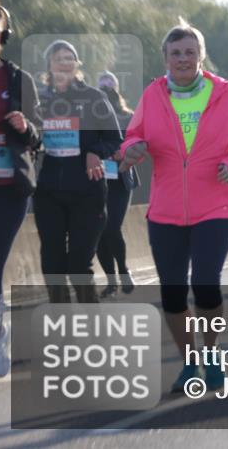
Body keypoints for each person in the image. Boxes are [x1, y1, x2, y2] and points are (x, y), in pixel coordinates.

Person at [120, 21, 228, 393]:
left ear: (201, 56)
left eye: (189, 52)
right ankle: (189, 362)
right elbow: (133, 135)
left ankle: (212, 354)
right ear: (165, 58)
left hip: (217, 204)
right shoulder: (153, 95)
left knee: (205, 282)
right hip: (165, 208)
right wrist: (131, 150)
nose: (183, 58)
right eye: (175, 53)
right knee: (171, 291)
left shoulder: (224, 94)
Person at [34, 40, 122, 304]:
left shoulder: (94, 98)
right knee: (52, 265)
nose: (65, 62)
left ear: (76, 65)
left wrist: (95, 151)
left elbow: (116, 141)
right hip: (49, 192)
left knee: (78, 266)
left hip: (87, 193)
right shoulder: (40, 100)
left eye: (70, 58)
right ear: (49, 65)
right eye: (59, 58)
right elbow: (28, 136)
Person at [0, 0, 41, 379]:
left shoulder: (17, 79)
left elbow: (38, 137)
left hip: (7, 189)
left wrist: (25, 127)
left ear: (2, 33)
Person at [96, 71, 139, 297]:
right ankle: (111, 281)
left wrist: (122, 152)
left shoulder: (128, 117)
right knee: (99, 231)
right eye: (101, 90)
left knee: (112, 227)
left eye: (109, 89)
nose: (106, 94)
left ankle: (123, 271)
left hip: (120, 179)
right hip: (96, 178)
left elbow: (136, 143)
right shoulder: (90, 118)